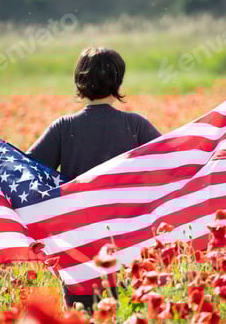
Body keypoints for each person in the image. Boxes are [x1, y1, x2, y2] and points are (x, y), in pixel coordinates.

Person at [26, 47, 161, 311]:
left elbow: (27, 173)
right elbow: (169, 165)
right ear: (118, 81)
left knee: (80, 312)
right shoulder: (136, 126)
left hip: (79, 245)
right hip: (127, 243)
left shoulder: (63, 128)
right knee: (126, 311)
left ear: (80, 81)